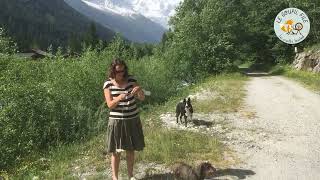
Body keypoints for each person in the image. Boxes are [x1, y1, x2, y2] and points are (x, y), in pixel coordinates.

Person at [103, 59, 145, 180]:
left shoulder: (131, 80)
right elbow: (110, 105)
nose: (121, 73)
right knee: (116, 151)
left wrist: (139, 91)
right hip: (116, 122)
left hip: (132, 119)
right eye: (118, 71)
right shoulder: (108, 84)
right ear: (113, 71)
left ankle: (131, 176)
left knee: (130, 150)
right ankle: (115, 177)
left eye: (123, 70)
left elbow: (142, 98)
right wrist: (119, 97)